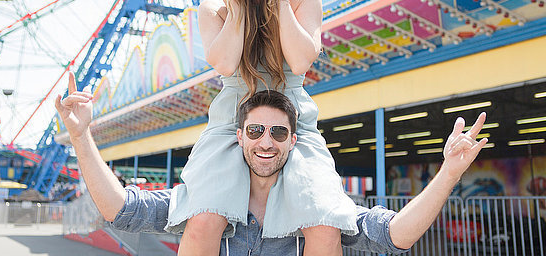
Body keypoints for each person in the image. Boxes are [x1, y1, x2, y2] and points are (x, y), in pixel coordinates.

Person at [55, 85, 488, 254]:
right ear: (239, 136)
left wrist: (449, 171)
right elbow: (120, 209)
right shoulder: (206, 204)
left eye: (278, 134)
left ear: (293, 141)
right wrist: (81, 137)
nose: (266, 142)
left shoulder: (316, 208)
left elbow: (395, 235)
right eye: (256, 131)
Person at [168, 0, 356, 256]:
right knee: (204, 220)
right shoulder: (214, 10)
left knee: (325, 222)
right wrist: (237, 6)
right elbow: (224, 63)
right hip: (231, 122)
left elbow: (300, 59)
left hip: (291, 121)